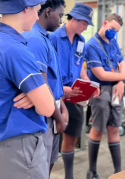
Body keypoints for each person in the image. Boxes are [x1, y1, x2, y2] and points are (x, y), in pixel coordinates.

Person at [0, 0, 55, 179]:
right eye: (37, 10)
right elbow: (47, 107)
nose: (37, 16)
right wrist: (40, 93)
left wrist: (35, 94)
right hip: (18, 148)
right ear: (26, 9)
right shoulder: (16, 50)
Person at [49, 3, 99, 179]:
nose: (86, 28)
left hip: (75, 94)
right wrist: (59, 89)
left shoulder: (81, 41)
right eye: (85, 23)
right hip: (57, 94)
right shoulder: (53, 38)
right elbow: (46, 70)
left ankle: (69, 176)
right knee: (53, 138)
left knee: (72, 136)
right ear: (75, 19)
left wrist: (89, 83)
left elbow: (80, 66)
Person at [21, 0, 68, 175]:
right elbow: (42, 85)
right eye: (60, 15)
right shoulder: (35, 40)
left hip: (52, 112)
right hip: (43, 117)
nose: (61, 21)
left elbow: (54, 83)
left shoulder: (44, 38)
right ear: (48, 12)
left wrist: (62, 107)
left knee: (49, 162)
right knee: (40, 168)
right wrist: (58, 117)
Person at [85, 13, 125, 178]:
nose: (113, 32)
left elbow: (123, 65)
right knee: (98, 130)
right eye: (112, 28)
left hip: (117, 90)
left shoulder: (113, 42)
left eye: (116, 30)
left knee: (114, 129)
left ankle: (118, 172)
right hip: (101, 90)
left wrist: (121, 82)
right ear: (104, 23)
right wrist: (124, 77)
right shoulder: (91, 46)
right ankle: (92, 171)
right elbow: (102, 75)